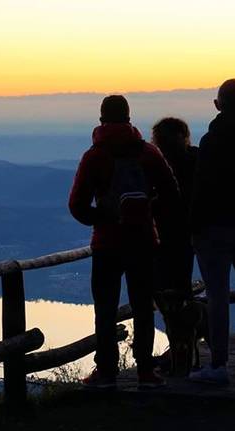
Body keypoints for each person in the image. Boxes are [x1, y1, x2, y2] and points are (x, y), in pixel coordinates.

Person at [69, 95, 180, 389]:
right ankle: (145, 370)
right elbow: (171, 192)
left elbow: (77, 205)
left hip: (106, 244)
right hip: (143, 241)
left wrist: (103, 218)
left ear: (101, 118)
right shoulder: (148, 152)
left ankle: (106, 372)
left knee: (104, 309)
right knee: (143, 307)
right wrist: (146, 212)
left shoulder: (94, 156)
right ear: (129, 118)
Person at [189, 79, 235, 385]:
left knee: (216, 295)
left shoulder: (211, 140)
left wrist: (195, 227)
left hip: (214, 228)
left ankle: (218, 365)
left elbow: (201, 189)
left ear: (218, 105)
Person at [151, 118, 198, 296]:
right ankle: (183, 319)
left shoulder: (154, 163)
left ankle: (173, 320)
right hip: (187, 232)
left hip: (159, 233)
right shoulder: (196, 160)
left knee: (160, 287)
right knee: (182, 281)